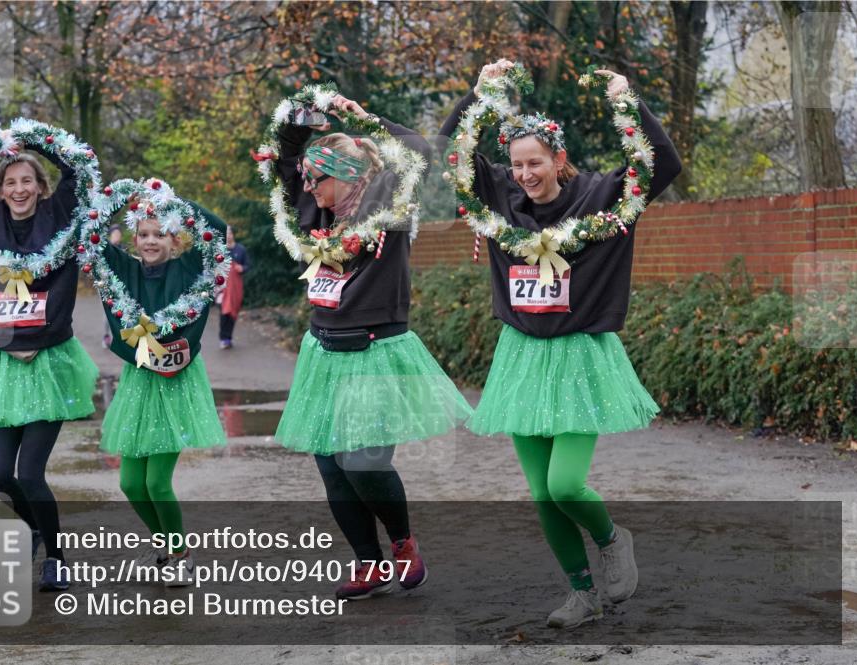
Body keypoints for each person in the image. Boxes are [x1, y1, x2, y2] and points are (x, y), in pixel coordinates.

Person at [440, 60, 682, 628]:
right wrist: (480, 94)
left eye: (536, 163)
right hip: (522, 355)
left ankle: (611, 537)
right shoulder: (499, 197)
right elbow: (453, 151)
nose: (525, 174)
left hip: (580, 354)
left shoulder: (601, 197)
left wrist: (627, 99)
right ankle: (581, 594)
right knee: (541, 496)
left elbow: (662, 164)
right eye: (517, 164)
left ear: (559, 160)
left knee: (564, 483)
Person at [271, 93, 473, 600]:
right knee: (330, 467)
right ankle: (369, 564)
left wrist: (360, 115)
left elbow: (419, 150)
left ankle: (403, 542)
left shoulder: (388, 204)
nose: (309, 187)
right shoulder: (316, 214)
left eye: (318, 177)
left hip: (376, 352)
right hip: (324, 351)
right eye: (308, 178)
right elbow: (283, 169)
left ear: (346, 174)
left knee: (362, 462)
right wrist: (299, 121)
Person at [0, 143, 99, 592]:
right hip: (4, 360)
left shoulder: (58, 214)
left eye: (27, 180)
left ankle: (56, 558)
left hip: (49, 360)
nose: (19, 189)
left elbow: (81, 169)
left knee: (31, 473)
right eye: (10, 181)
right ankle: (32, 526)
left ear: (41, 186)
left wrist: (31, 140)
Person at [98, 193, 227, 586]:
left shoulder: (189, 267)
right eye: (144, 234)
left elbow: (217, 232)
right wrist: (113, 197)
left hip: (175, 379)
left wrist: (173, 199)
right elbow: (89, 238)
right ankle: (170, 547)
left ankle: (180, 554)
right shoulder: (124, 270)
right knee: (130, 483)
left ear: (175, 240)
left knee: (156, 482)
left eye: (160, 234)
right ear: (133, 239)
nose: (151, 241)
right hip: (140, 378)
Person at [218, 226, 250, 349]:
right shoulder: (221, 249)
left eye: (230, 233)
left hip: (236, 287)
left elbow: (247, 265)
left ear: (233, 234)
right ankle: (223, 338)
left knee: (232, 312)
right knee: (224, 311)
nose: (228, 235)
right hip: (222, 287)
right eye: (226, 233)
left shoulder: (241, 249)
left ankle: (228, 337)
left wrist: (242, 268)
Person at [102, 224, 124, 349]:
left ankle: (119, 338)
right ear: (111, 235)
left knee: (121, 312)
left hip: (121, 285)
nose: (117, 235)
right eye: (115, 233)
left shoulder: (123, 248)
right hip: (108, 285)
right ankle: (106, 336)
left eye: (119, 233)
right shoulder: (106, 248)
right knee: (108, 313)